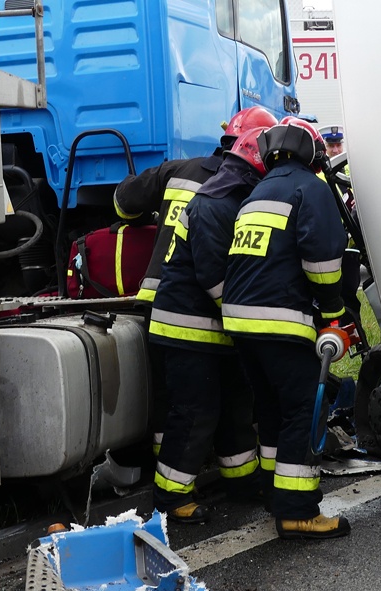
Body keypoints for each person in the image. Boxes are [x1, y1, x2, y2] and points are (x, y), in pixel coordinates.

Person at [113, 106, 279, 456]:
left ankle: (162, 475)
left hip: (157, 304)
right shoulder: (250, 190)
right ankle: (191, 480)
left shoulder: (177, 170)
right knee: (224, 400)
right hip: (210, 309)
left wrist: (147, 217)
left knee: (167, 402)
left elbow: (124, 203)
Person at [222, 117, 352, 539]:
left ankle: (276, 496)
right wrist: (334, 313)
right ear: (311, 152)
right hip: (279, 322)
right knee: (302, 410)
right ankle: (297, 511)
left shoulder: (257, 193)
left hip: (240, 325)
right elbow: (322, 264)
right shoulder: (310, 189)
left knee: (272, 411)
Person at [148, 127, 270, 523]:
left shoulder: (234, 197)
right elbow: (214, 276)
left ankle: (241, 480)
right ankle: (171, 498)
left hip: (215, 329)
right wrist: (243, 317)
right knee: (195, 411)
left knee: (236, 405)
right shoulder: (216, 203)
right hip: (188, 328)